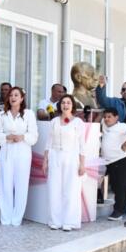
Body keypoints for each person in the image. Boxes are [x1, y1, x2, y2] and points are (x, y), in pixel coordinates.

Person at [0, 86, 39, 226]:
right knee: (5, 185)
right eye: (11, 95)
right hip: (7, 151)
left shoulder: (29, 114)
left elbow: (34, 136)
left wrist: (22, 137)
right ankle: (6, 217)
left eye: (16, 95)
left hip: (23, 152)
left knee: (21, 185)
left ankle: (17, 218)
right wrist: (7, 137)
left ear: (21, 98)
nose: (13, 97)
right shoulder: (2, 115)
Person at [40, 94, 82, 230]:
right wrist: (45, 161)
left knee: (70, 190)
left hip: (71, 157)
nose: (65, 105)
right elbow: (48, 142)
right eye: (63, 102)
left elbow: (82, 145)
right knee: (54, 189)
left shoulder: (77, 122)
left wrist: (82, 164)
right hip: (55, 157)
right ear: (60, 105)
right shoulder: (54, 121)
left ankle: (69, 221)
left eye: (68, 102)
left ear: (72, 105)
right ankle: (55, 220)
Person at [100, 107, 126, 220]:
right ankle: (121, 208)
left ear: (116, 117)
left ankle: (120, 211)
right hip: (109, 162)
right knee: (114, 187)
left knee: (120, 187)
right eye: (105, 117)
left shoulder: (122, 126)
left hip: (121, 160)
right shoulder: (104, 124)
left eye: (109, 117)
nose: (106, 119)